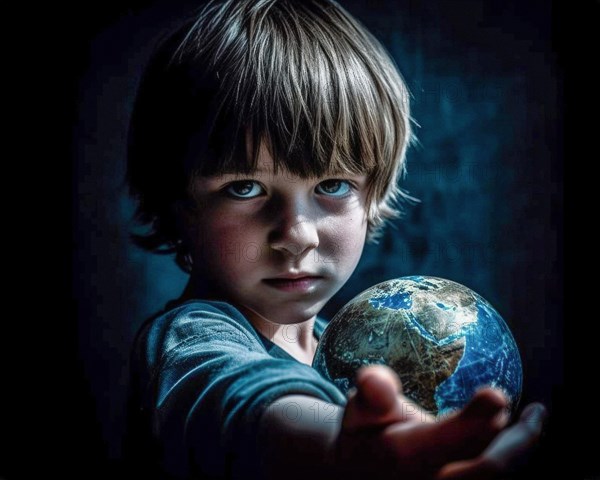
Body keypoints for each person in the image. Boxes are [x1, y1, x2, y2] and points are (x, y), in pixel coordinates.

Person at [124, 0, 546, 478]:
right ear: (176, 204)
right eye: (244, 188)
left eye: (332, 185)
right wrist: (342, 445)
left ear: (372, 198)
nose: (297, 235)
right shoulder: (191, 339)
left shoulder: (341, 347)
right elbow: (242, 400)